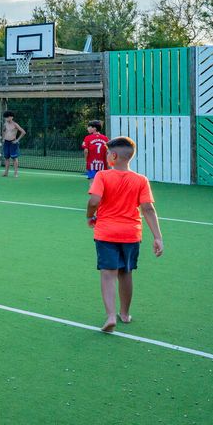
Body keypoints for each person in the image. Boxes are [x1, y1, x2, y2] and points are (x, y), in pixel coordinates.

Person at [85, 136, 163, 333]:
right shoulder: (141, 180)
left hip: (106, 233)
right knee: (126, 273)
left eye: (107, 154)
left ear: (113, 156)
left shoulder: (102, 176)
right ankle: (125, 314)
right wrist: (157, 237)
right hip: (131, 234)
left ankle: (111, 316)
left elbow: (94, 201)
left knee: (108, 274)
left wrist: (90, 216)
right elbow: (148, 209)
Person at [0, 111, 27, 177]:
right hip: (6, 143)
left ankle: (16, 173)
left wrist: (17, 140)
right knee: (6, 158)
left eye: (7, 117)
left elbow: (23, 132)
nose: (6, 118)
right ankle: (6, 173)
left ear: (11, 117)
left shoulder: (15, 124)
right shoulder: (5, 124)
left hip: (13, 143)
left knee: (14, 158)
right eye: (5, 117)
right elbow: (3, 131)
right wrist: (3, 138)